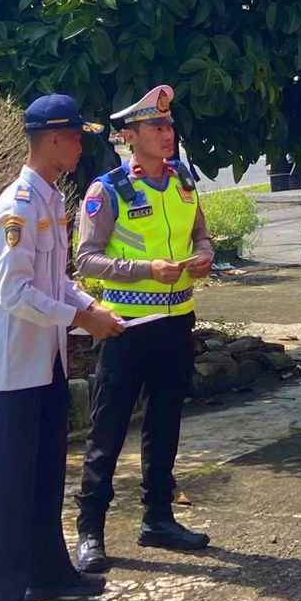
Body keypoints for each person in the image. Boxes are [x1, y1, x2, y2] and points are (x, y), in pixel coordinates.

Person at [0, 94, 125, 601]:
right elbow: (14, 293)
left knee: (44, 476)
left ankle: (48, 573)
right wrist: (79, 319)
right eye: (77, 136)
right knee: (10, 484)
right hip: (14, 370)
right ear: (55, 139)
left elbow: (53, 280)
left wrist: (88, 306)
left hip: (46, 364)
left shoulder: (48, 199)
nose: (81, 145)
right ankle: (5, 600)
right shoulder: (18, 205)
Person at [74, 85, 216, 572]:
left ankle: (158, 517)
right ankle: (90, 529)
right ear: (131, 137)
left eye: (169, 126)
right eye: (156, 127)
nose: (167, 134)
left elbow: (202, 234)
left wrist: (204, 257)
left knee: (165, 423)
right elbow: (86, 260)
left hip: (177, 322)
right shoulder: (107, 190)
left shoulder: (183, 183)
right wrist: (144, 271)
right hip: (125, 327)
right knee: (108, 427)